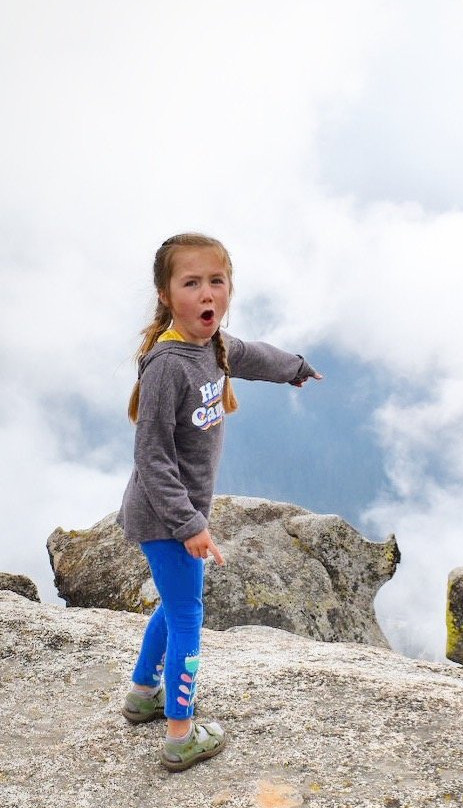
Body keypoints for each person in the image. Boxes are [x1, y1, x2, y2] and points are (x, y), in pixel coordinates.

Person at [116, 233, 322, 772]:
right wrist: (189, 525)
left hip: (175, 513)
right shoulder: (168, 366)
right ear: (166, 294)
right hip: (165, 516)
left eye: (216, 280)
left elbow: (251, 356)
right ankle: (180, 735)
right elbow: (151, 457)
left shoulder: (213, 346)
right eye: (191, 283)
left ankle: (143, 694)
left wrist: (295, 367)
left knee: (173, 603)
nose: (207, 292)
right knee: (188, 616)